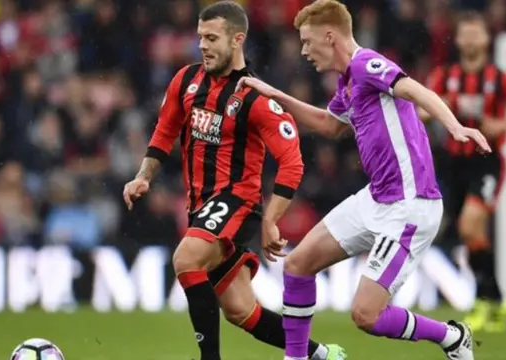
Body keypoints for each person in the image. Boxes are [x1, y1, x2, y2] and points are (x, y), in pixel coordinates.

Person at [236, 1, 492, 359]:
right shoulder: (347, 82)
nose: (304, 51)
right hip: (376, 198)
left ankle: (451, 336)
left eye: (308, 42)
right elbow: (329, 124)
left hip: (410, 206)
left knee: (365, 315)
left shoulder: (365, 63)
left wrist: (456, 127)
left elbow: (416, 90)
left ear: (330, 36)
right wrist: (275, 95)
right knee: (296, 265)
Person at [122, 2, 345, 360]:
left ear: (237, 39)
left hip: (237, 203)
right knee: (242, 311)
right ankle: (324, 355)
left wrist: (271, 220)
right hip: (201, 207)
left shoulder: (256, 98)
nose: (203, 46)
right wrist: (143, 176)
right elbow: (165, 131)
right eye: (200, 38)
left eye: (212, 38)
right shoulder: (186, 81)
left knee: (186, 260)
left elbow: (291, 161)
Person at [423, 11, 506, 333]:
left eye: (476, 34)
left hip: (487, 161)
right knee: (471, 235)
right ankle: (495, 299)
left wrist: (505, 123)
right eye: (465, 34)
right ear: (457, 40)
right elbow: (422, 108)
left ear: (486, 39)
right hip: (453, 163)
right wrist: (425, 112)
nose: (470, 40)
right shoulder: (442, 78)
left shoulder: (503, 79)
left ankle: (482, 300)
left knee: (471, 227)